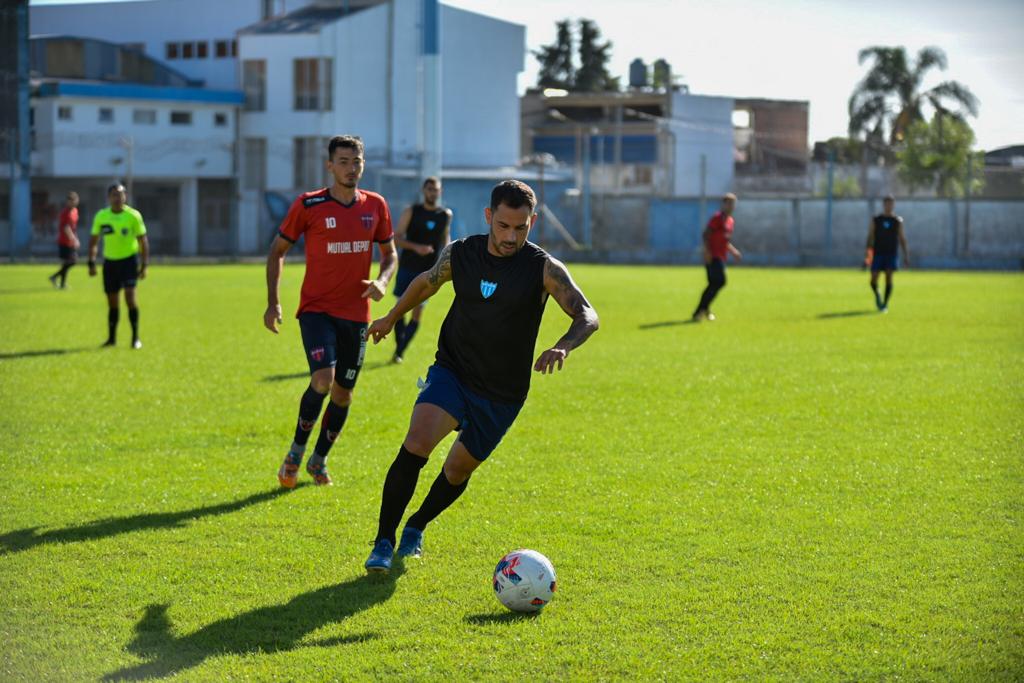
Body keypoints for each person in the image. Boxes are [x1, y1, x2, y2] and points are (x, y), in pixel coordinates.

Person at [363, 179, 599, 573]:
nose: (511, 236)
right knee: (418, 440)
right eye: (504, 226)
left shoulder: (543, 268)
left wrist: (563, 345)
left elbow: (587, 314)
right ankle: (383, 542)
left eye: (520, 227)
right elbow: (427, 281)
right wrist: (391, 316)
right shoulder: (462, 253)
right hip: (453, 370)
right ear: (489, 217)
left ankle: (416, 526)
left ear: (532, 222)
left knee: (457, 470)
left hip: (502, 391)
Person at [264, 135, 397, 488]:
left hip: (356, 314)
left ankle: (318, 460)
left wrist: (383, 280)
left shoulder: (376, 205)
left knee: (343, 393)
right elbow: (277, 251)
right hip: (316, 310)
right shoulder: (309, 205)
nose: (351, 168)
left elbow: (390, 254)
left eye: (356, 161)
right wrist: (273, 301)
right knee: (323, 380)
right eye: (343, 162)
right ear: (330, 166)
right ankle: (294, 453)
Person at [390, 177, 452, 364]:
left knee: (417, 312)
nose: (432, 192)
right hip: (407, 267)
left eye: (436, 190)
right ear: (423, 191)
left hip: (428, 272)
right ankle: (399, 346)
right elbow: (396, 238)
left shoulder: (445, 215)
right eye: (429, 189)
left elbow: (445, 240)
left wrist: (446, 259)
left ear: (440, 192)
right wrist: (416, 247)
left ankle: (399, 351)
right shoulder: (412, 211)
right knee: (400, 310)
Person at [87, 183, 149, 349]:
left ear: (125, 197)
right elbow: (94, 241)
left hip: (129, 261)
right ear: (108, 198)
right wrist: (91, 262)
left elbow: (143, 240)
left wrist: (144, 265)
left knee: (130, 298)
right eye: (114, 195)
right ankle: (111, 339)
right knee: (112, 302)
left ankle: (135, 338)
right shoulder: (101, 216)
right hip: (110, 263)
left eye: (120, 195)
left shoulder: (133, 216)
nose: (117, 198)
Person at [692, 193, 741, 322]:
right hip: (712, 256)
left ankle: (703, 310)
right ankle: (700, 311)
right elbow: (705, 234)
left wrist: (733, 251)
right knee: (720, 281)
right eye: (729, 203)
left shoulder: (730, 221)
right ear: (723, 204)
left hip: (721, 255)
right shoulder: (717, 218)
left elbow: (725, 241)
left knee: (713, 284)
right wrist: (707, 252)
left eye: (733, 203)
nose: (731, 206)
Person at [864, 195, 910, 313]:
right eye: (887, 204)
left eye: (891, 204)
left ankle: (884, 303)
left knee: (889, 276)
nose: (889, 206)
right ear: (883, 205)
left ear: (893, 205)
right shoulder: (876, 220)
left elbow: (902, 238)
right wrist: (868, 256)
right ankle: (878, 295)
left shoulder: (897, 221)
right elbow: (870, 238)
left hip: (891, 253)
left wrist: (906, 255)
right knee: (873, 279)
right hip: (878, 253)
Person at [49, 192, 80, 289]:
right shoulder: (65, 213)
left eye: (73, 200)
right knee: (72, 261)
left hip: (71, 241)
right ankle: (55, 277)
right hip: (64, 242)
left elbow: (73, 227)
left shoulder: (75, 211)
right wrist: (74, 239)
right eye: (69, 201)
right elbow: (66, 227)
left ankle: (61, 283)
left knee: (67, 262)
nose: (71, 203)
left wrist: (76, 238)